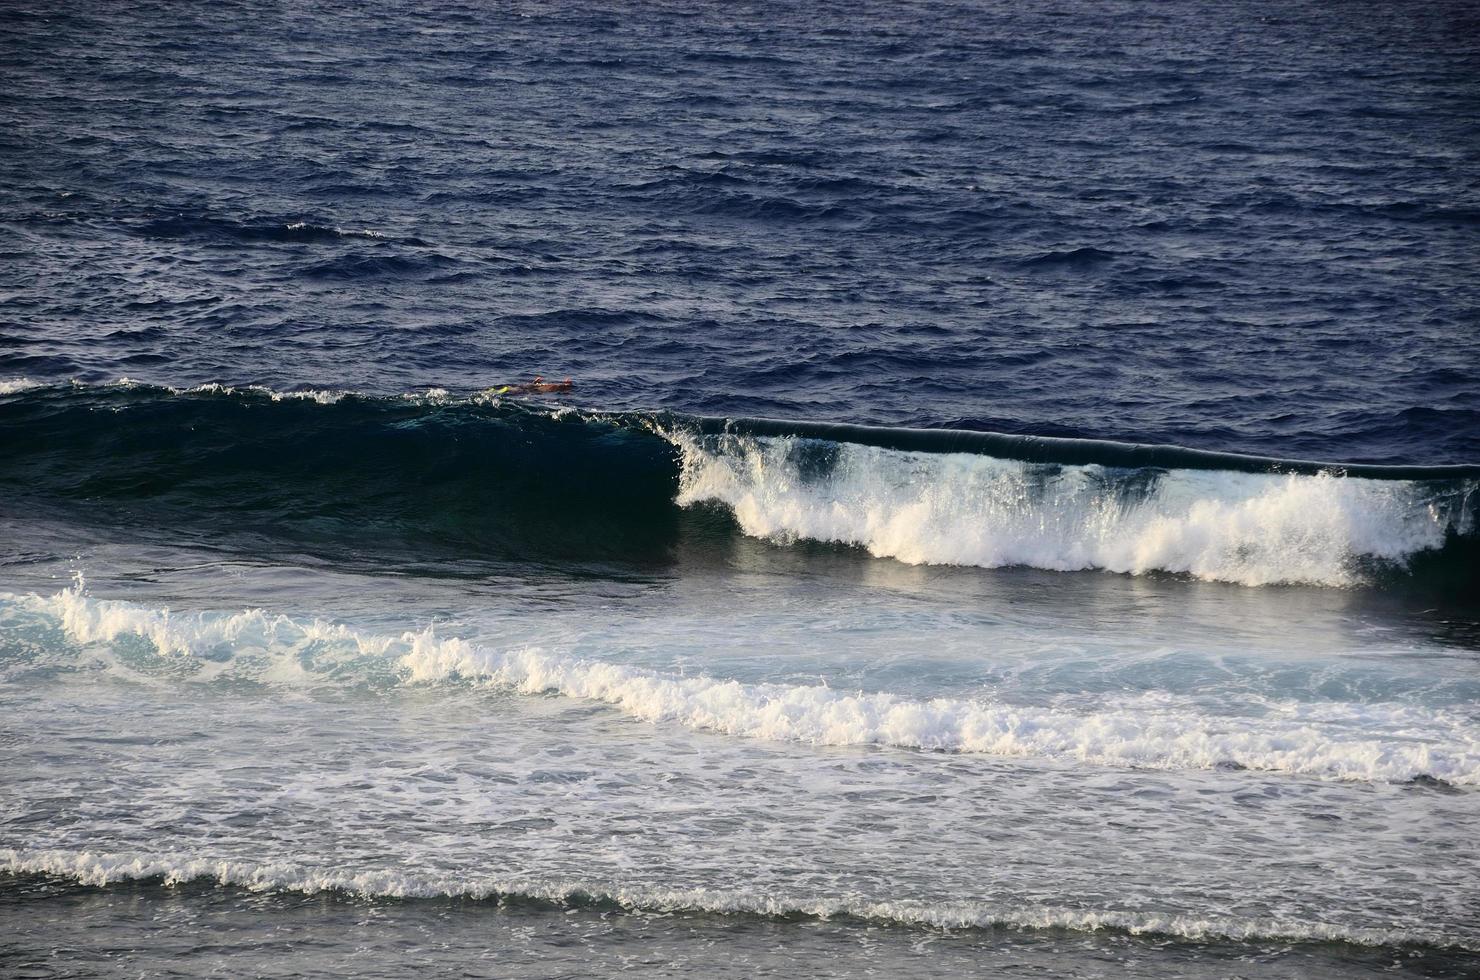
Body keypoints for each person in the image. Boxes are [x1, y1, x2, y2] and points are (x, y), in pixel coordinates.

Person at [487, 376, 573, 396]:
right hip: (530, 389)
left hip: (529, 387)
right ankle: (501, 390)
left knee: (511, 388)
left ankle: (492, 390)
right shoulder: (556, 387)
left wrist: (535, 382)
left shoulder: (556, 387)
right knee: (509, 389)